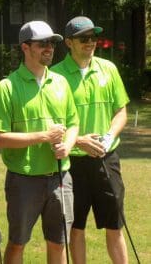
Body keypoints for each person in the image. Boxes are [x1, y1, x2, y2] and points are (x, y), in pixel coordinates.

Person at [0, 20, 79, 264]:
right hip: (23, 180)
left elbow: (73, 123)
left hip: (60, 177)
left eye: (51, 43)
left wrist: (68, 145)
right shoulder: (7, 87)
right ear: (25, 47)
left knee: (59, 243)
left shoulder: (60, 83)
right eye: (42, 44)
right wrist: (43, 136)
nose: (49, 48)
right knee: (18, 243)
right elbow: (0, 138)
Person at [51, 16, 130, 264]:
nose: (90, 42)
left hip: (107, 158)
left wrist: (108, 137)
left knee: (115, 224)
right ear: (68, 42)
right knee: (76, 226)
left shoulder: (109, 69)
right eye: (83, 38)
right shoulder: (55, 75)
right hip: (72, 164)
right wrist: (79, 140)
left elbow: (121, 111)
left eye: (93, 37)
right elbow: (51, 125)